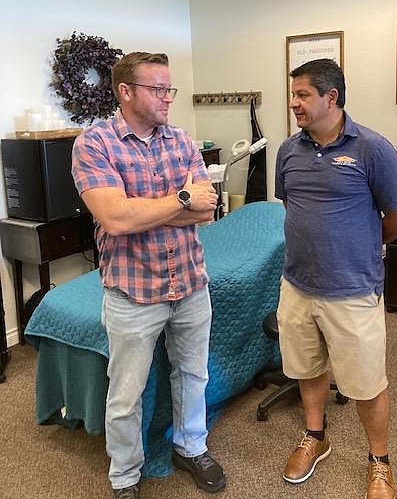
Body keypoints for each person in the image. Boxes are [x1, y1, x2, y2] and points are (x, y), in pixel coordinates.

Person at [72, 52, 226, 499]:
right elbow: (115, 218)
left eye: (168, 88)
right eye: (158, 89)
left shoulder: (181, 140)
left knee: (193, 374)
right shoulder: (94, 144)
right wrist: (180, 198)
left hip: (190, 282)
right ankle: (125, 475)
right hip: (133, 291)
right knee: (126, 394)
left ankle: (190, 446)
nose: (167, 98)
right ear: (126, 91)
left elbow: (207, 209)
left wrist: (148, 209)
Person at [275, 59, 397, 499]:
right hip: (297, 285)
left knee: (367, 384)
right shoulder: (288, 151)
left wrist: (361, 245)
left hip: (352, 289)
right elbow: (293, 207)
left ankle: (379, 461)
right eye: (293, 94)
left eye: (302, 95)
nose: (294, 103)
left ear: (331, 97)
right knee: (307, 367)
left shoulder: (373, 149)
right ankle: (316, 436)